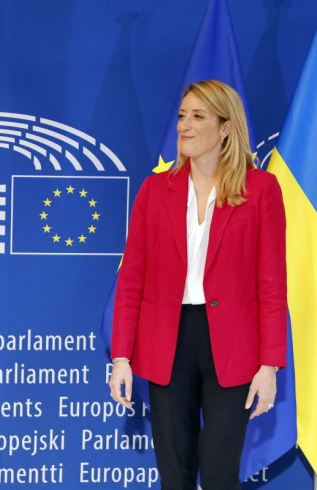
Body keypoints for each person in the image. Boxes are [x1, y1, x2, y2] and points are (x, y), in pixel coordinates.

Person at [108, 80, 286, 489]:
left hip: (234, 347)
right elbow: (131, 278)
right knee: (175, 472)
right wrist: (121, 357)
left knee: (220, 473)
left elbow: (273, 282)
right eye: (182, 116)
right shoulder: (155, 190)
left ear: (225, 128)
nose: (185, 126)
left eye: (198, 117)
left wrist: (269, 365)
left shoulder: (260, 190)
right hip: (166, 342)